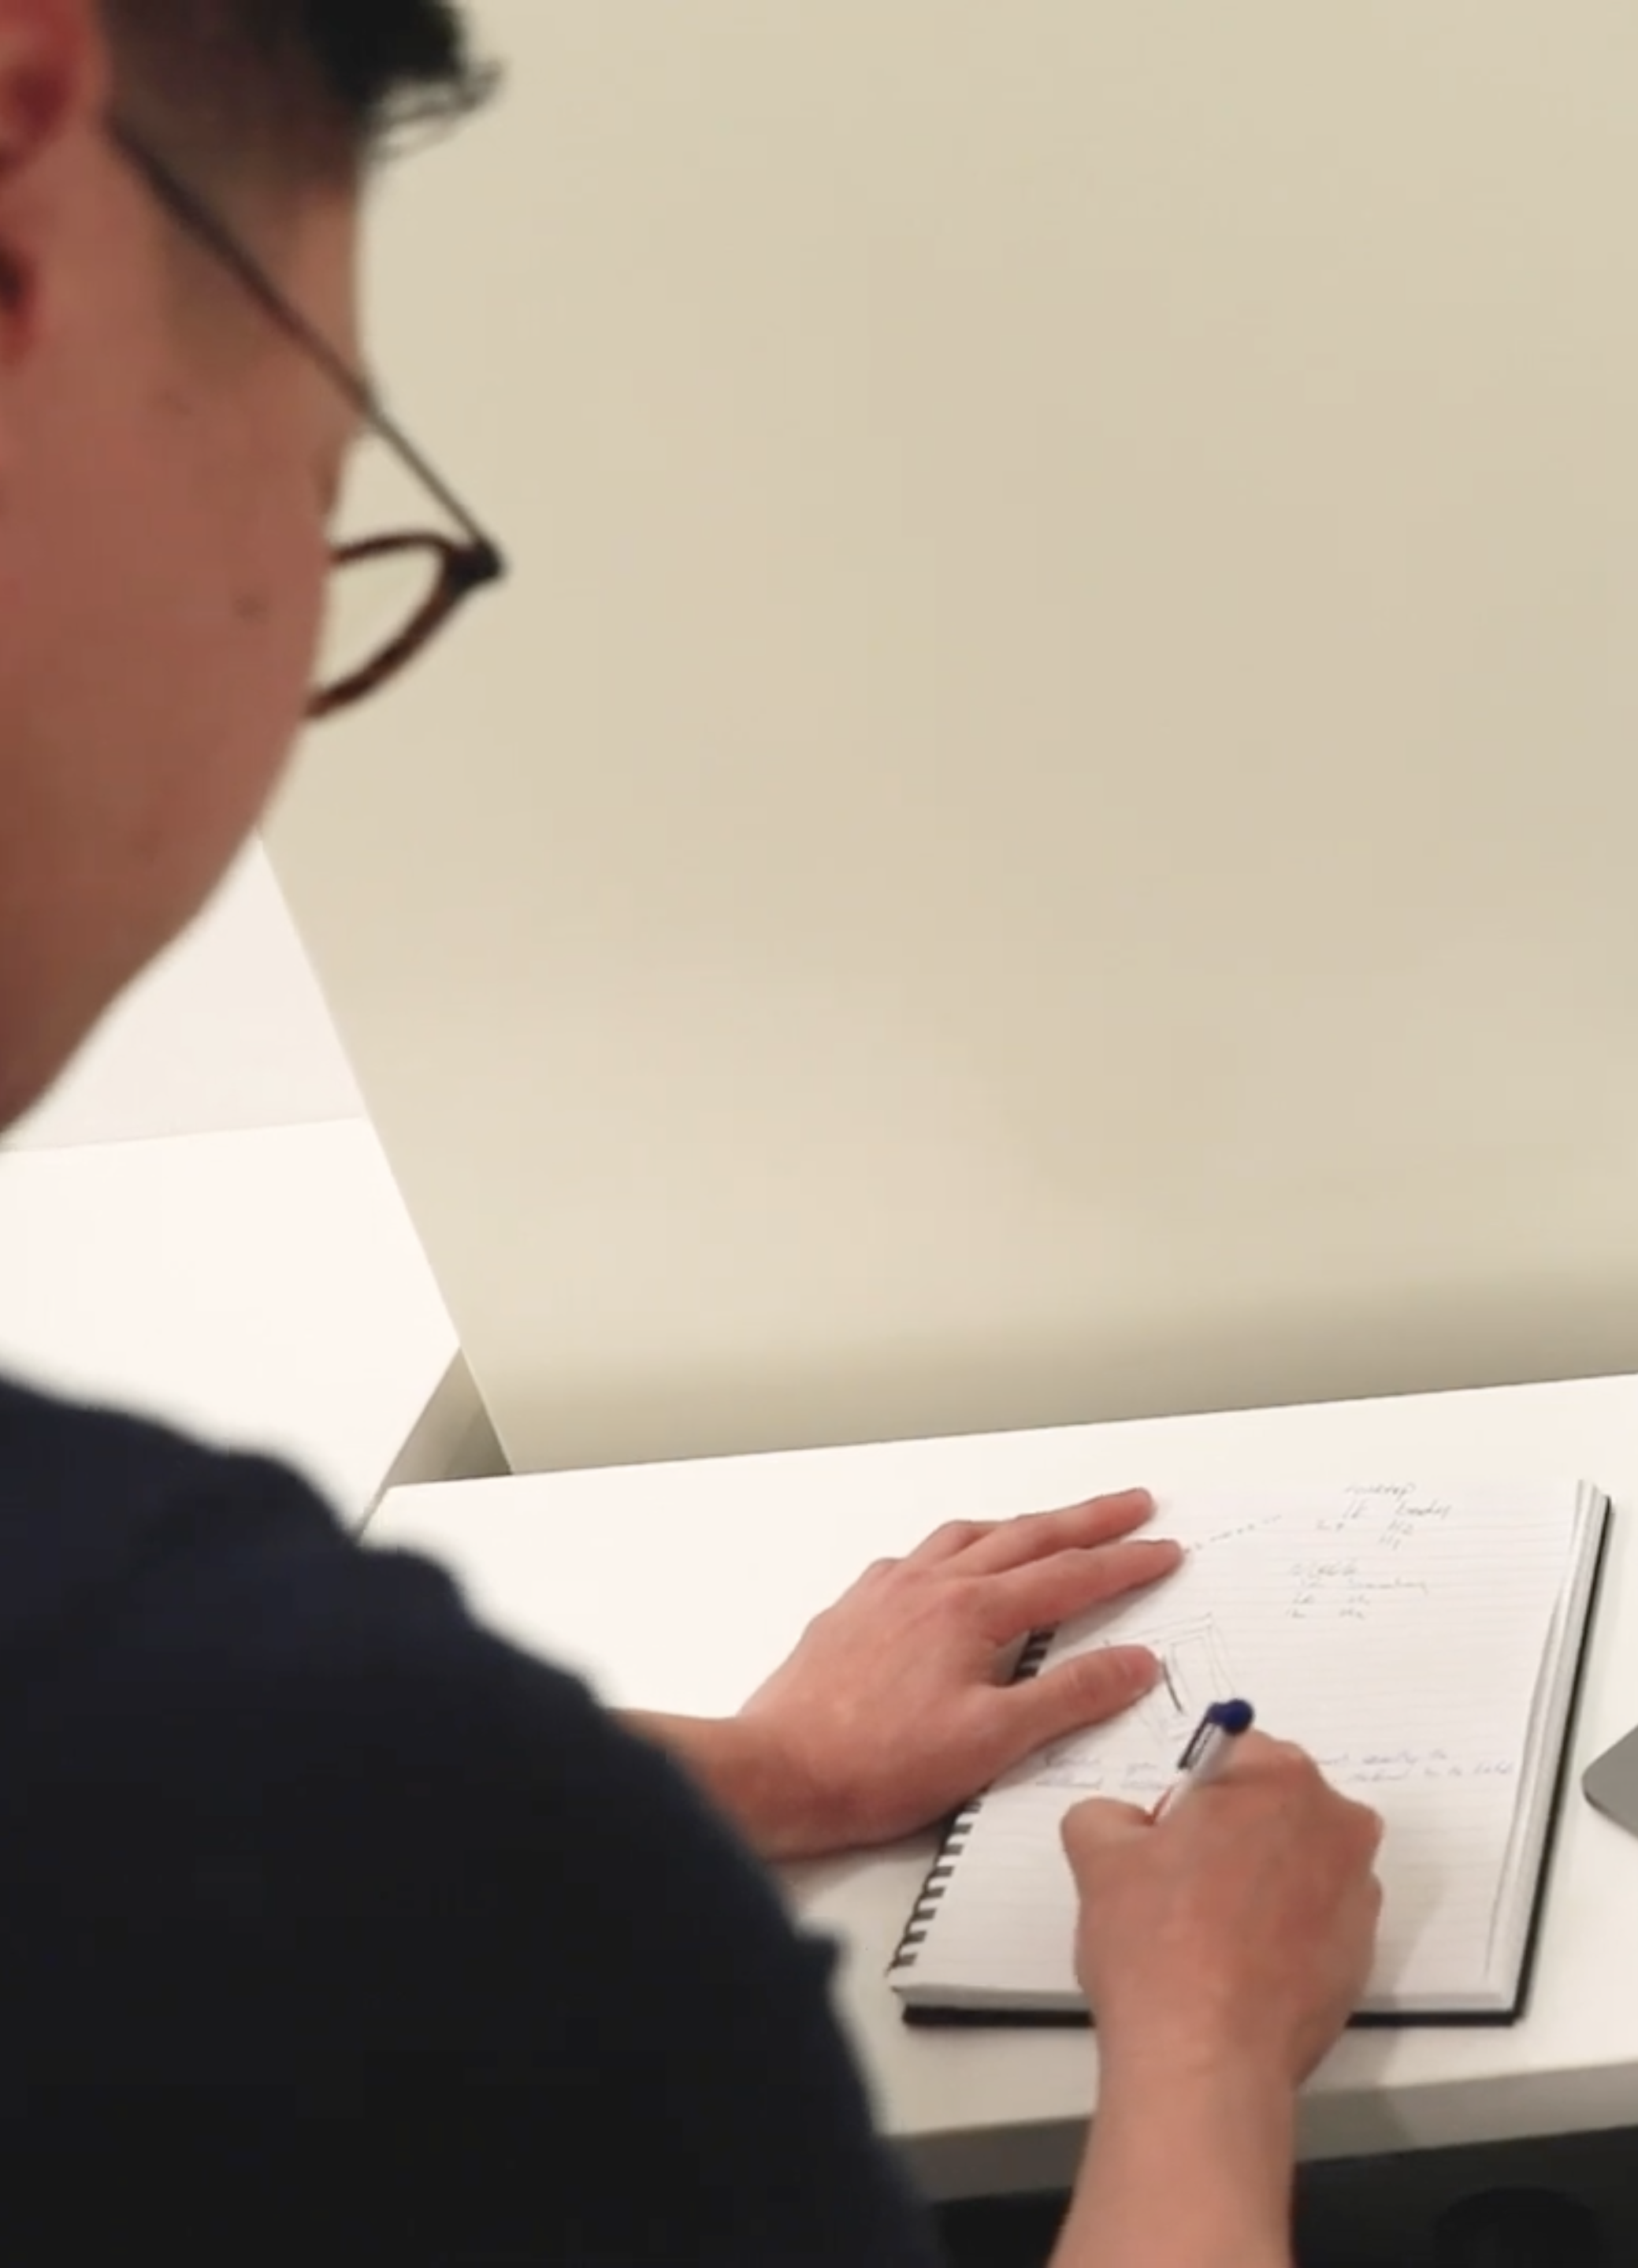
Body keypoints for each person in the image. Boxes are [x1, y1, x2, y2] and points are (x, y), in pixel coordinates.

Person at [0, 4, 1381, 2259]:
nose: (289, 674)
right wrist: (1212, 2040)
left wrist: (780, 1773)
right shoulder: (252, 1785)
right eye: (326, 485)